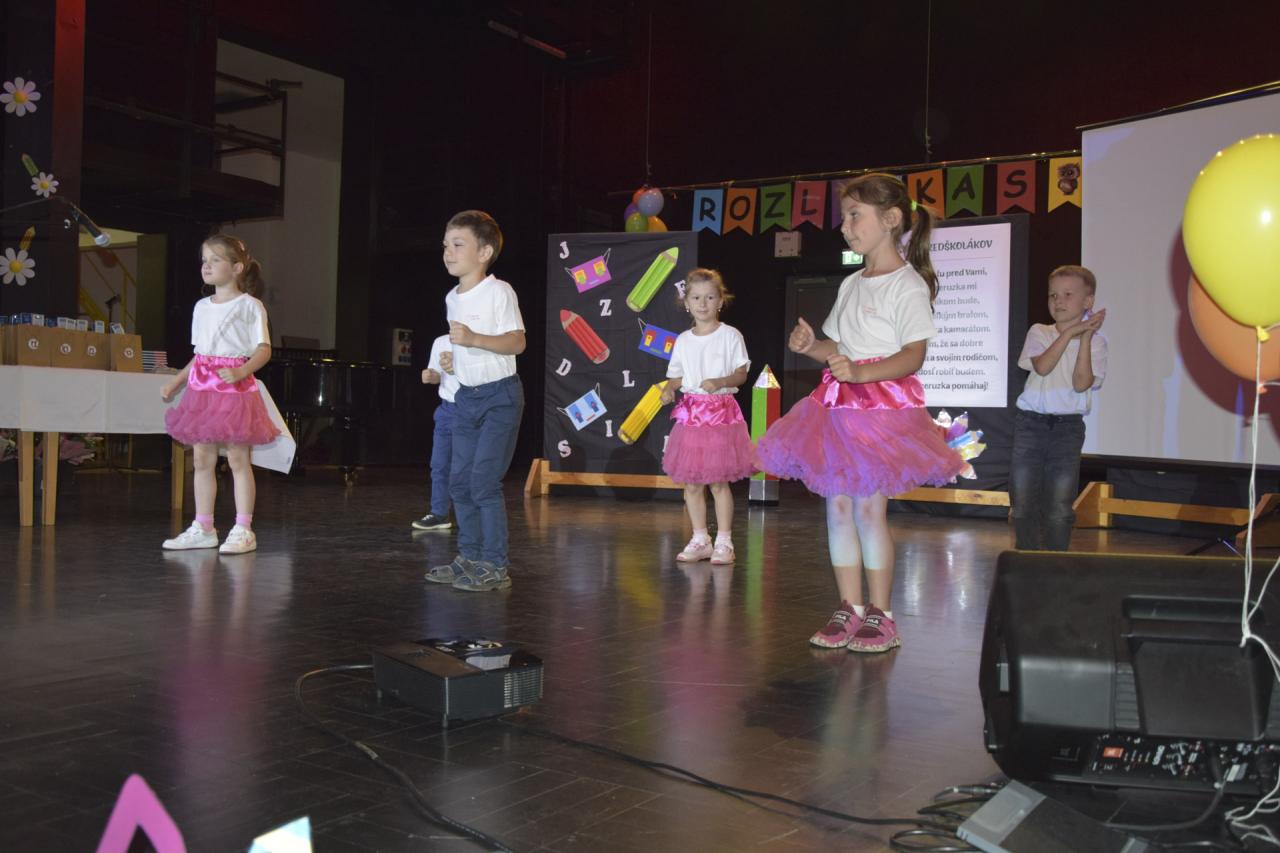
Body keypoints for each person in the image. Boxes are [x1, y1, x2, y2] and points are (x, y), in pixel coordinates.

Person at [755, 174, 969, 653]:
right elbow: (837, 348)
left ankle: (882, 614)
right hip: (838, 408)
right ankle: (849, 606)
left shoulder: (907, 285)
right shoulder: (852, 283)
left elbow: (913, 355)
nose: (845, 226)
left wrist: (861, 372)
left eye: (855, 215)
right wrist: (812, 346)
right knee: (837, 507)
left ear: (890, 220)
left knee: (870, 509)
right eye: (844, 216)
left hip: (881, 410)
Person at [423, 210, 525, 591]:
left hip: (499, 397)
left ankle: (495, 565)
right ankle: (469, 557)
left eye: (457, 244)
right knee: (459, 481)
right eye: (445, 245)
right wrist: (456, 360)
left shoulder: (500, 292)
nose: (448, 252)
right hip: (465, 397)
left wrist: (473, 340)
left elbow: (517, 342)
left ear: (484, 252)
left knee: (483, 481)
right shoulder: (452, 297)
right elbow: (463, 345)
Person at [161, 235, 280, 555]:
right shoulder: (201, 307)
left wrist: (242, 371)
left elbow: (264, 349)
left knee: (238, 458)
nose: (207, 266)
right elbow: (200, 355)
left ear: (237, 267)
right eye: (204, 260)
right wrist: (176, 382)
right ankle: (204, 527)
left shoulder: (250, 306)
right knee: (202, 458)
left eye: (215, 260)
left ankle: (243, 528)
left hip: (233, 389)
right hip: (202, 389)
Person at [659, 268, 755, 564]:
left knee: (718, 481)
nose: (703, 303)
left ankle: (725, 542)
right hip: (692, 416)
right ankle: (700, 539)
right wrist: (669, 389)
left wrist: (721, 381)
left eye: (710, 297)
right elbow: (677, 376)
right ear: (686, 303)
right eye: (696, 298)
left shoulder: (730, 336)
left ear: (720, 301)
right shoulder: (683, 340)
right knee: (692, 483)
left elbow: (741, 373)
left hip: (720, 415)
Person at [1010, 265, 1107, 551]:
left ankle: (1056, 562)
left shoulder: (1097, 343)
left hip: (1067, 430)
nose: (1058, 301)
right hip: (1030, 425)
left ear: (1088, 301)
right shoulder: (1040, 331)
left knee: (1060, 505)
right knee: (1023, 502)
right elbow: (1042, 366)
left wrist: (1084, 338)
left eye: (1067, 294)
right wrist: (1069, 334)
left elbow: (1081, 384)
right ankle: (1026, 559)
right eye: (1053, 295)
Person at [411, 333, 459, 531]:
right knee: (439, 464)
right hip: (447, 408)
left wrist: (458, 365)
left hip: (472, 408)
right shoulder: (440, 341)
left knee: (468, 466)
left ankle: (473, 516)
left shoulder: (480, 339)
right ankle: (439, 513)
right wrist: (431, 376)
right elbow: (437, 374)